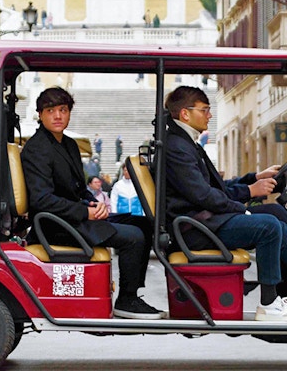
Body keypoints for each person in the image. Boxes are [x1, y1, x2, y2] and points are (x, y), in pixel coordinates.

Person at [21, 86, 164, 319]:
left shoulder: (68, 145)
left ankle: (133, 294)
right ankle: (126, 299)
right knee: (133, 237)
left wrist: (94, 204)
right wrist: (83, 212)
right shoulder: (36, 149)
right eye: (50, 110)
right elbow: (41, 199)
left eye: (63, 110)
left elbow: (79, 188)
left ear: (69, 113)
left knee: (143, 223)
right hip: (55, 224)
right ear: (40, 114)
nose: (57, 116)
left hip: (73, 216)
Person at [164, 85, 287, 321]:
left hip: (205, 220)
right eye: (205, 110)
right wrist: (246, 201)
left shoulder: (188, 144)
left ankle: (283, 293)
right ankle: (269, 303)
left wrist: (254, 179)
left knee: (275, 213)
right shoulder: (177, 148)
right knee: (270, 226)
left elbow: (218, 188)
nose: (210, 115)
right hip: (195, 228)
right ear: (185, 114)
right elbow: (202, 195)